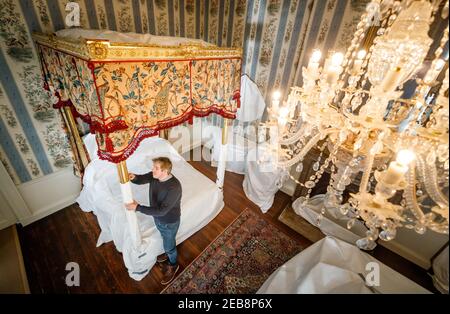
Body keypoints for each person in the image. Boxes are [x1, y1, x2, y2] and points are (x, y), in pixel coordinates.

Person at [125, 157, 182, 285]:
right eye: (153, 167)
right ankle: (168, 253)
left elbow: (162, 211)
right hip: (158, 218)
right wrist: (133, 177)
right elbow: (141, 179)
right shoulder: (154, 176)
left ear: (165, 171)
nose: (153, 170)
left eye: (156, 168)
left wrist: (138, 207)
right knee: (166, 239)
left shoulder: (174, 187)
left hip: (169, 222)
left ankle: (173, 264)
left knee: (169, 245)